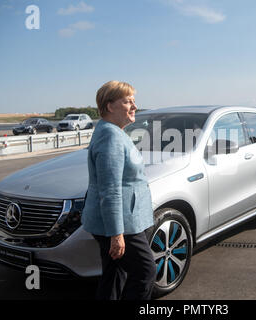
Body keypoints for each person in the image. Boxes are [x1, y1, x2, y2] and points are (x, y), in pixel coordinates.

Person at [81, 81, 156, 300]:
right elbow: (110, 188)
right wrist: (116, 234)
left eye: (134, 101)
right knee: (145, 272)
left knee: (115, 274)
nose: (134, 106)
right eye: (128, 101)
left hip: (120, 221)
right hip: (120, 223)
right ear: (110, 106)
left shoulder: (113, 132)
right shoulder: (111, 136)